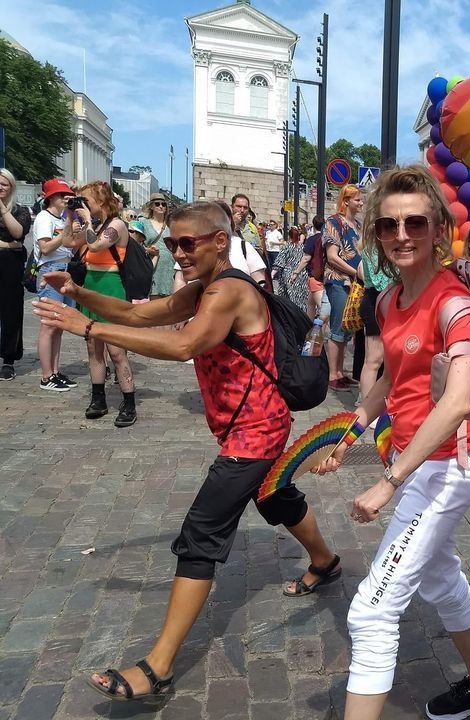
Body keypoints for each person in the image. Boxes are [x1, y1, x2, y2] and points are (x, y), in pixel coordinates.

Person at [34, 200, 340, 702]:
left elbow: (182, 346)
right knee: (273, 497)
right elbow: (140, 312)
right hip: (251, 424)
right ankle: (325, 561)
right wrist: (80, 293)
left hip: (256, 430)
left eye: (187, 243)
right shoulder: (203, 288)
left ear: (220, 241)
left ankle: (158, 667)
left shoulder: (226, 292)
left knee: (201, 534)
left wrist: (87, 328)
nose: (176, 252)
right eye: (172, 243)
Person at [312, 165, 470, 720]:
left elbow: (455, 401)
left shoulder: (455, 305)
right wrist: (348, 437)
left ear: (439, 230)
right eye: (388, 225)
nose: (401, 235)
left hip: (446, 469)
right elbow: (394, 382)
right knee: (441, 577)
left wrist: (386, 483)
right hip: (411, 460)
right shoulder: (387, 301)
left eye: (415, 223)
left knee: (372, 611)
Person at [61, 181, 138, 427]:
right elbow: (67, 243)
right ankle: (98, 398)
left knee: (116, 350)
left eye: (87, 200)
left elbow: (95, 244)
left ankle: (129, 402)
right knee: (93, 346)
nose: (84, 204)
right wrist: (70, 217)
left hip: (111, 286)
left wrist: (84, 220)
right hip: (90, 286)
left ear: (102, 201)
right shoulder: (90, 225)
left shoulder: (117, 225)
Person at [33, 179, 80, 391]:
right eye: (63, 196)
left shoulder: (62, 217)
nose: (66, 199)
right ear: (51, 197)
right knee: (48, 325)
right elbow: (45, 247)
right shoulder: (45, 218)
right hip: (50, 270)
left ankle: (54, 370)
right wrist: (65, 233)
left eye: (68, 195)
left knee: (59, 326)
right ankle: (46, 375)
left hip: (64, 270)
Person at [323, 184, 363, 391]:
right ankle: (332, 374)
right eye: (357, 199)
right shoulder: (334, 222)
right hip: (339, 279)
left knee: (347, 328)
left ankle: (340, 371)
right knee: (338, 327)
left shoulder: (357, 225)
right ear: (346, 201)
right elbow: (332, 256)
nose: (361, 202)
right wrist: (355, 272)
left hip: (354, 282)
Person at [0, 169, 32, 381]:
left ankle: (8, 360)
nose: (0, 188)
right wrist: (8, 244)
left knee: (11, 313)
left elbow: (18, 233)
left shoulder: (20, 210)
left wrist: (3, 209)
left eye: (4, 184)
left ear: (11, 187)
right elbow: (13, 242)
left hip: (10, 266)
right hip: (9, 254)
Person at [356, 220, 390, 404]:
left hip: (381, 301)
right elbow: (380, 282)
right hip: (376, 301)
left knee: (382, 361)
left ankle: (375, 403)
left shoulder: (374, 247)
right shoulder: (374, 248)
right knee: (374, 360)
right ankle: (368, 406)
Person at [292, 214, 330, 323]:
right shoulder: (327, 238)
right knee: (311, 303)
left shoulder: (312, 239)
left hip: (315, 276)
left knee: (323, 310)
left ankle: (323, 334)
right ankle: (307, 327)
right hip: (326, 275)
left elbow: (306, 259)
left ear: (313, 226)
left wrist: (296, 272)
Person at [141, 193, 174, 299]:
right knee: (154, 306)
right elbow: (135, 246)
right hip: (152, 267)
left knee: (169, 308)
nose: (161, 206)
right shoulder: (144, 223)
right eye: (157, 204)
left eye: (164, 204)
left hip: (170, 268)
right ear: (151, 206)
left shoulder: (171, 224)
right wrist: (148, 249)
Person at [272, 225, 309, 312]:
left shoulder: (286, 247)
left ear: (289, 236)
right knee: (301, 297)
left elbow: (279, 262)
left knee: (288, 297)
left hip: (289, 274)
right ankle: (302, 314)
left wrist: (272, 274)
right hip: (302, 274)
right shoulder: (303, 247)